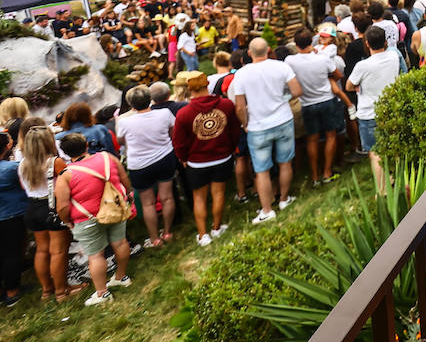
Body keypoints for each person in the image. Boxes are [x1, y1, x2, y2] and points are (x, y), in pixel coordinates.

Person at [56, 132, 133, 306]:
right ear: (86, 145)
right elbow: (124, 177)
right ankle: (121, 276)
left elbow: (62, 206)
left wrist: (66, 220)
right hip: (114, 207)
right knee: (120, 243)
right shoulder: (107, 158)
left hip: (86, 218)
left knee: (95, 255)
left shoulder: (65, 175)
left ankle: (102, 293)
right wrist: (128, 194)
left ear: (66, 154)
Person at [231, 38, 303, 224]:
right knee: (285, 163)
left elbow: (239, 107)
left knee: (262, 170)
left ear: (249, 53)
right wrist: (282, 98)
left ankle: (267, 210)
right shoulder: (281, 67)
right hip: (283, 119)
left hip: (258, 125)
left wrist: (245, 123)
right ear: (268, 50)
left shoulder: (241, 74)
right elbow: (297, 91)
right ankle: (284, 199)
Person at [173, 72, 241, 246]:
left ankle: (203, 235)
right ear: (207, 84)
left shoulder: (184, 113)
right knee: (218, 193)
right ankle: (216, 227)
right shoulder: (226, 105)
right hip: (221, 157)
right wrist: (231, 147)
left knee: (199, 198)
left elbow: (178, 141)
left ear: (189, 89)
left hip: (196, 162)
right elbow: (234, 129)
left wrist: (183, 158)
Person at [17, 123, 76, 301]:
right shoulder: (54, 162)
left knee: (42, 250)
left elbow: (23, 186)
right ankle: (61, 291)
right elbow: (70, 180)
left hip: (32, 208)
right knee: (58, 250)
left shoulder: (22, 164)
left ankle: (46, 290)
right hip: (51, 207)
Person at [116, 85, 178, 247]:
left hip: (140, 164)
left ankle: (154, 239)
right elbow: (173, 132)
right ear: (149, 99)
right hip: (165, 157)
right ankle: (168, 232)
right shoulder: (164, 113)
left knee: (147, 203)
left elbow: (121, 141)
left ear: (131, 103)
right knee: (167, 197)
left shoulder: (124, 121)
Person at [285, 30, 349, 188]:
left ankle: (314, 175)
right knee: (331, 136)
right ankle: (327, 172)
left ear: (296, 43)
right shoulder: (322, 59)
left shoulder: (290, 61)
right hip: (326, 99)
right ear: (312, 42)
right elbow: (338, 74)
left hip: (306, 102)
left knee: (312, 139)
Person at [346, 26, 400, 188]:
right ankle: (398, 177)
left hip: (369, 112)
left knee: (376, 153)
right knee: (395, 147)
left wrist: (358, 85)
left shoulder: (363, 66)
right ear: (385, 42)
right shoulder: (393, 57)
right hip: (390, 108)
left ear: (367, 43)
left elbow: (349, 85)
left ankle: (382, 189)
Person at [0, 132, 28, 308]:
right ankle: (12, 292)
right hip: (11, 216)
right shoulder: (11, 168)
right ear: (6, 147)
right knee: (11, 254)